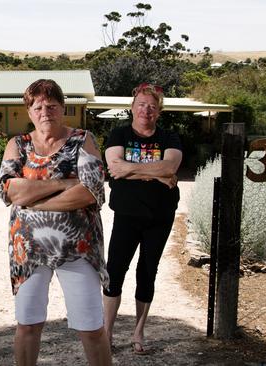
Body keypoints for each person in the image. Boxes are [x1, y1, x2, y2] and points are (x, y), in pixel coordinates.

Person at [0, 79, 112, 366]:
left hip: (78, 249)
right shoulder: (18, 144)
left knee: (91, 328)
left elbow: (90, 192)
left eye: (51, 105)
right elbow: (8, 190)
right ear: (29, 110)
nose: (44, 111)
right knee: (28, 324)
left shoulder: (83, 140)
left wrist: (32, 201)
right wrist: (64, 182)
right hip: (29, 252)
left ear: (63, 108)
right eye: (37, 106)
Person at [102, 83, 182, 355]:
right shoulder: (119, 134)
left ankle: (138, 332)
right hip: (127, 214)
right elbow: (114, 170)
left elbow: (170, 166)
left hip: (160, 216)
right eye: (141, 104)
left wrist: (131, 169)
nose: (146, 110)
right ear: (132, 108)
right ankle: (107, 332)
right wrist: (157, 175)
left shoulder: (169, 137)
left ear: (159, 111)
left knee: (147, 272)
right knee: (114, 272)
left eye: (152, 106)